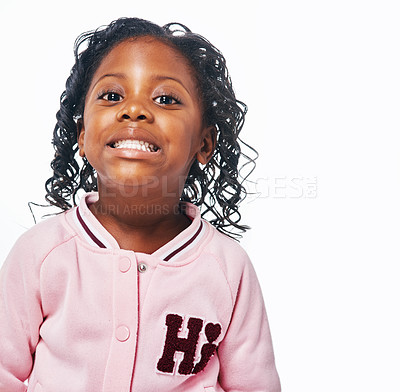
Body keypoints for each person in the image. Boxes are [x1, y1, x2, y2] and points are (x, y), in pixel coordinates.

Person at [0, 17, 280, 392]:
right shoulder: (42, 252)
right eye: (112, 96)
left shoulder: (228, 268)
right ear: (82, 136)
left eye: (165, 99)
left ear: (204, 143)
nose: (134, 111)